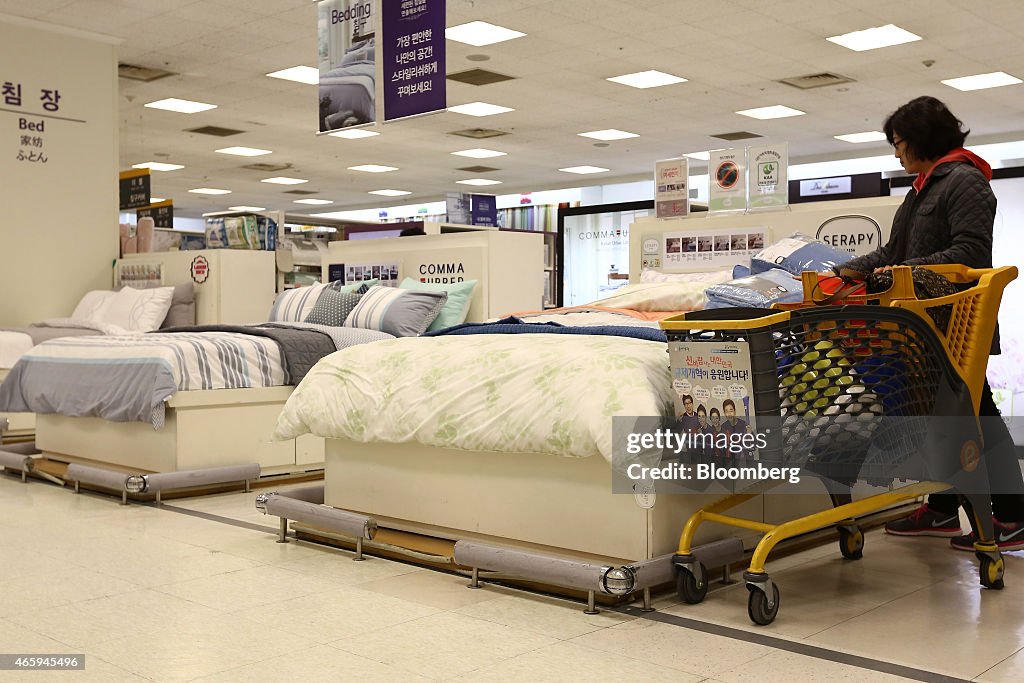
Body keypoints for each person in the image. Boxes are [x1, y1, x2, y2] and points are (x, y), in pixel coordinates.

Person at [841, 95, 1024, 551]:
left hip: (957, 324)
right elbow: (891, 253)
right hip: (920, 327)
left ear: (922, 139)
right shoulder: (922, 187)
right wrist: (848, 269)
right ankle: (944, 510)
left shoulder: (965, 181)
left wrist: (902, 273)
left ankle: (1016, 517)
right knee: (942, 419)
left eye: (899, 143)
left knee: (976, 416)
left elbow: (970, 253)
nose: (896, 153)